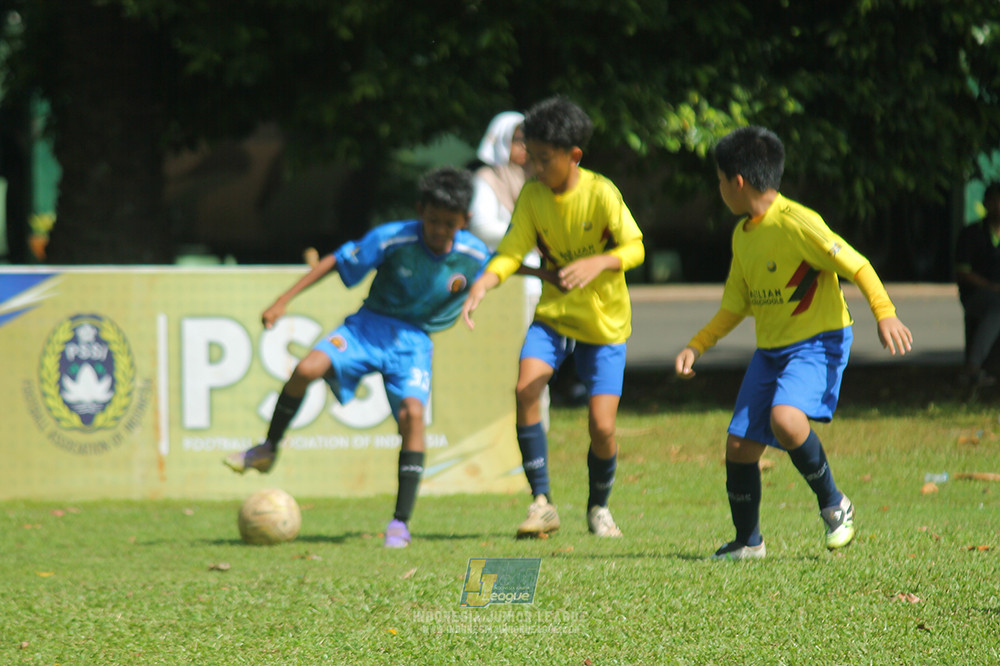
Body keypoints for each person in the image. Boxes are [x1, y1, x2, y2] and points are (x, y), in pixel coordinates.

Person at [674, 126, 913, 560]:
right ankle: (749, 542)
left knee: (786, 419)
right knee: (740, 446)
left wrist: (885, 312)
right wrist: (697, 345)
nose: (719, 189)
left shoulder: (797, 222)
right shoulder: (742, 235)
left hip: (818, 343)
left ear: (738, 182)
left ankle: (834, 502)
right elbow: (735, 304)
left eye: (720, 180)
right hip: (771, 353)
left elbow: (857, 265)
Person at [224, 166, 490, 549]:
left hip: (413, 342)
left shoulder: (474, 253)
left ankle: (400, 522)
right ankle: (267, 448)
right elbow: (335, 260)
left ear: (465, 221)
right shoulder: (393, 237)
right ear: (420, 212)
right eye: (432, 221)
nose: (438, 230)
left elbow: (506, 266)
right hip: (367, 327)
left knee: (413, 416)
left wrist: (552, 275)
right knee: (305, 368)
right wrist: (283, 300)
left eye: (449, 224)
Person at [461, 96, 645, 539]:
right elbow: (508, 252)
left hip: (604, 324)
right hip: (554, 316)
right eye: (531, 158)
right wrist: (483, 285)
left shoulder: (601, 193)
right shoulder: (533, 197)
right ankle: (541, 501)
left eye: (544, 159)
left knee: (602, 426)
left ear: (573, 156)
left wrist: (597, 264)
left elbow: (635, 248)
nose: (535, 168)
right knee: (526, 388)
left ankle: (598, 507)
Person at [954, 182, 1000, 388]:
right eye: (994, 201)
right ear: (986, 204)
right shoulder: (972, 234)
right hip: (976, 296)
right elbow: (963, 272)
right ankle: (972, 367)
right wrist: (992, 287)